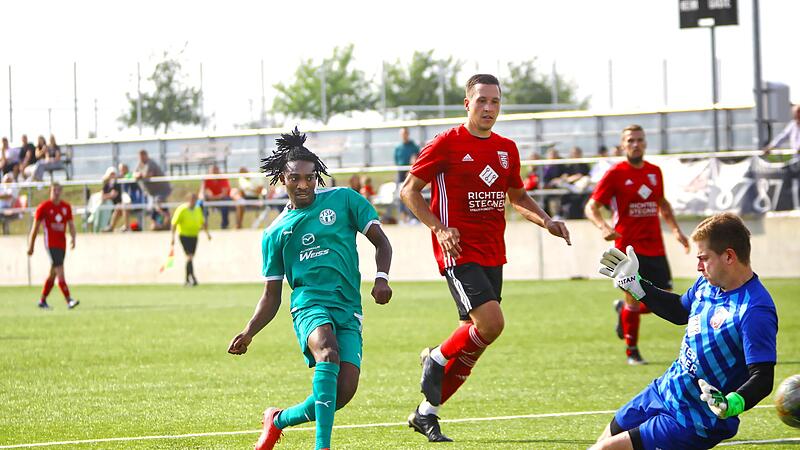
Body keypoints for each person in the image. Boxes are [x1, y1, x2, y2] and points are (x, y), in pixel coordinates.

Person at [399, 74, 571, 443]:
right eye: (482, 101)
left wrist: (547, 222)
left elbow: (518, 197)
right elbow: (409, 191)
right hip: (458, 251)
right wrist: (439, 228)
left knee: (475, 340)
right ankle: (436, 358)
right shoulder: (446, 143)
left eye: (495, 101)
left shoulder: (507, 148)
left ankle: (426, 413)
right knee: (492, 324)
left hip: (494, 252)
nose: (489, 108)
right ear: (467, 104)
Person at [227, 127, 393, 450]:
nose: (303, 185)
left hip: (348, 308)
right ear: (282, 179)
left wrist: (382, 277)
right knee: (327, 351)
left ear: (317, 176)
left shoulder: (345, 200)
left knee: (340, 393)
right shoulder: (275, 233)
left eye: (309, 177)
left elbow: (381, 242)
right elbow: (271, 295)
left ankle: (277, 420)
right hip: (308, 305)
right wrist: (249, 331)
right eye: (294, 179)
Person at [591, 213, 777, 450]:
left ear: (729, 256)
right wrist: (636, 285)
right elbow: (680, 311)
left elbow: (763, 377)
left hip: (693, 420)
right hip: (664, 390)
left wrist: (731, 404)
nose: (698, 266)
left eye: (704, 258)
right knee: (604, 441)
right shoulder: (706, 285)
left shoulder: (754, 309)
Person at [585, 124, 690, 365]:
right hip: (628, 249)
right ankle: (632, 351)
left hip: (655, 246)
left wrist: (676, 230)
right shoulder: (615, 174)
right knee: (634, 298)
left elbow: (662, 203)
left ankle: (623, 311)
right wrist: (603, 226)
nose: (635, 144)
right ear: (623, 145)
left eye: (640, 140)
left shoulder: (655, 172)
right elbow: (591, 206)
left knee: (664, 300)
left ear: (645, 143)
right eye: (630, 140)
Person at [27, 182, 79, 310]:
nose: (56, 193)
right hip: (51, 244)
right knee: (60, 271)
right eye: (54, 190)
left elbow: (71, 224)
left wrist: (73, 238)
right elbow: (35, 228)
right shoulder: (44, 207)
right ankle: (69, 300)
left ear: (61, 192)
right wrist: (31, 245)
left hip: (62, 244)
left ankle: (42, 300)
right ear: (50, 191)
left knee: (53, 274)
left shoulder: (66, 207)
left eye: (58, 190)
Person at [170, 192, 211, 286]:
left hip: (194, 236)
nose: (193, 202)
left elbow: (202, 222)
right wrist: (172, 237)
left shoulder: (197, 209)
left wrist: (207, 234)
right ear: (188, 200)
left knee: (190, 258)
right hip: (184, 235)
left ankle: (187, 280)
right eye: (192, 199)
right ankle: (192, 278)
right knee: (189, 257)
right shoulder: (182, 209)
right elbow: (174, 223)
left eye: (195, 200)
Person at [134, 149, 172, 230]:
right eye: (140, 156)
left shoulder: (150, 163)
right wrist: (137, 175)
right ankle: (162, 223)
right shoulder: (140, 164)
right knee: (157, 207)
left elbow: (148, 174)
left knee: (158, 205)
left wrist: (140, 175)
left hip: (161, 190)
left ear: (146, 155)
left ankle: (164, 222)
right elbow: (135, 173)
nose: (141, 158)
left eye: (142, 156)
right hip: (152, 193)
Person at [200, 164, 232, 229]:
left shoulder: (223, 178)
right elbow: (201, 193)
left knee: (225, 203)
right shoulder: (206, 179)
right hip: (211, 198)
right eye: (213, 171)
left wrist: (212, 198)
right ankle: (203, 224)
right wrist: (203, 198)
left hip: (222, 199)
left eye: (216, 170)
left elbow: (224, 194)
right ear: (209, 172)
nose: (215, 172)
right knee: (200, 203)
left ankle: (224, 225)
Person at [100, 166, 127, 232]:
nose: (112, 176)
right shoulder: (106, 184)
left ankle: (111, 227)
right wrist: (109, 195)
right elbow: (102, 196)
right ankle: (108, 227)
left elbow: (114, 195)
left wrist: (107, 196)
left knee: (118, 207)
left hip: (117, 204)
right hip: (109, 204)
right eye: (111, 174)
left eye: (113, 174)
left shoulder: (117, 184)